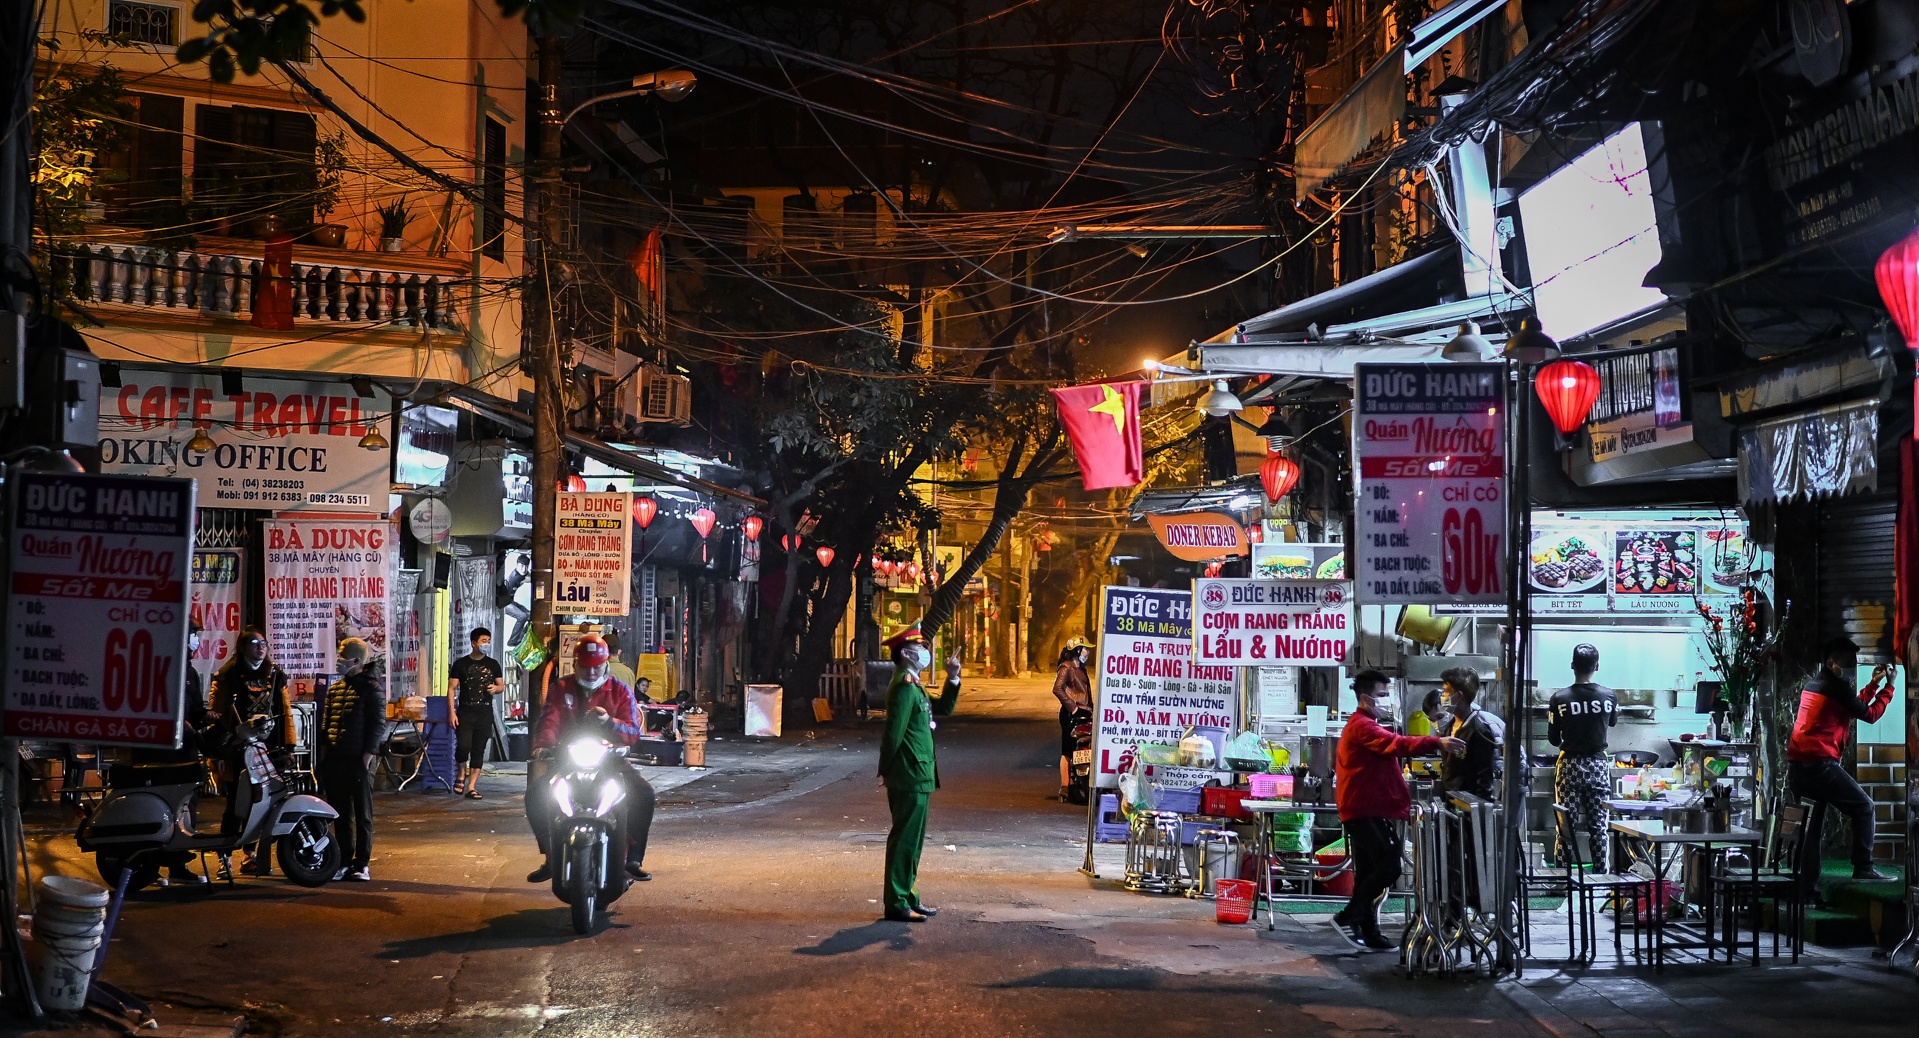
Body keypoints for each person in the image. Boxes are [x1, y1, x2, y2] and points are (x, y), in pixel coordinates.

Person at [1332, 670, 1462, 951]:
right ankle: (1348, 916)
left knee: (1368, 872)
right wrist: (1436, 741)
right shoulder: (1362, 726)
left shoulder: (1368, 724)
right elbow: (1398, 744)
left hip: (1367, 808)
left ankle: (1369, 932)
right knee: (1388, 867)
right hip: (1364, 809)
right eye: (1382, 695)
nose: (1386, 701)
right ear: (1365, 698)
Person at [525, 634, 657, 883]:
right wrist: (543, 745)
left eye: (597, 666)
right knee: (536, 795)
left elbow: (632, 731)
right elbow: (550, 720)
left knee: (644, 794)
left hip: (611, 761)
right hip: (568, 759)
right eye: (586, 666)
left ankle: (633, 859)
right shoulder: (562, 688)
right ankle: (551, 856)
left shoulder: (620, 691)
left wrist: (610, 722)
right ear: (575, 664)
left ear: (606, 664)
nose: (592, 672)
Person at [1789, 637, 1895, 886]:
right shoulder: (1836, 687)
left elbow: (1851, 705)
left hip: (1799, 767)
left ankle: (1807, 889)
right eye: (1848, 662)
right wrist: (1889, 687)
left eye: (1854, 662)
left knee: (1811, 830)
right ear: (1831, 662)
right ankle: (1864, 867)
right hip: (1820, 765)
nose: (1852, 667)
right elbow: (1868, 714)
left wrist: (1873, 684)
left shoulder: (1815, 684)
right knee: (1864, 807)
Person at [130, 618, 213, 885]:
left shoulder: (189, 672)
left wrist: (213, 717)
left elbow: (197, 711)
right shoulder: (158, 665)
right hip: (157, 750)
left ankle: (178, 865)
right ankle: (149, 867)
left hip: (184, 751)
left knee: (187, 805)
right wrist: (177, 722)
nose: (196, 641)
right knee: (156, 806)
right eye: (193, 635)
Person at [209, 626, 294, 876]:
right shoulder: (228, 675)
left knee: (263, 803)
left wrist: (289, 746)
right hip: (237, 749)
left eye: (264, 642)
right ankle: (224, 859)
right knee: (236, 803)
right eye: (255, 643)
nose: (261, 647)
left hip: (266, 748)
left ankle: (250, 855)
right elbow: (217, 716)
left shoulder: (274, 674)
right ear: (243, 648)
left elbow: (285, 712)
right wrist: (217, 755)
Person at [879, 623, 940, 922]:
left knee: (913, 841)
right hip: (908, 773)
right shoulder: (903, 685)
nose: (925, 652)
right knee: (904, 839)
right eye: (920, 648)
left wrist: (953, 679)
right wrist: (887, 770)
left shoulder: (914, 683)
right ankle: (896, 902)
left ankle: (908, 895)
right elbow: (894, 733)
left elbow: (944, 709)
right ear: (906, 653)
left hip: (921, 772)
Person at [318, 638, 384, 882]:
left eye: (342, 655)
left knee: (362, 813)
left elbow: (378, 725)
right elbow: (326, 724)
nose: (338, 659)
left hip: (359, 760)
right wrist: (325, 754)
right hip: (336, 760)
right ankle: (344, 861)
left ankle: (362, 864)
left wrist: (367, 756)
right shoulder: (335, 689)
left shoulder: (372, 688)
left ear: (356, 661)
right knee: (340, 813)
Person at [1547, 644, 1618, 871]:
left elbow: (1553, 738)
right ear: (1597, 666)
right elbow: (1612, 722)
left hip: (1569, 765)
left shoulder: (1559, 698)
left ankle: (1563, 876)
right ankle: (1600, 876)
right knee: (1599, 825)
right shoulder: (1609, 696)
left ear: (1572, 666)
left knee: (1566, 825)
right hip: (1598, 765)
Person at [449, 627, 505, 799]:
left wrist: (496, 689)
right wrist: (452, 713)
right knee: (463, 747)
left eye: (488, 640)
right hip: (465, 710)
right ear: (474, 643)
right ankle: (460, 774)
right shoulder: (460, 664)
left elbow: (502, 686)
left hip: (485, 711)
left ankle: (471, 787)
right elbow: (451, 689)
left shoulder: (493, 664)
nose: (486, 644)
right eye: (483, 641)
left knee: (478, 749)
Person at [1437, 668, 1504, 801]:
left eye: (1445, 692)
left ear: (1459, 696)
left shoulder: (1479, 731)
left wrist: (1478, 812)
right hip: (1451, 801)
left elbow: (1484, 779)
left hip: (1467, 807)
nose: (1442, 697)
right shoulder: (1450, 726)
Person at [1050, 638, 1092, 801]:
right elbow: (1057, 689)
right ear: (1077, 650)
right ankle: (1065, 786)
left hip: (1085, 712)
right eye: (1085, 649)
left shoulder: (1082, 669)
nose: (1087, 653)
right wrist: (1072, 707)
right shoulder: (1067, 667)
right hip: (1070, 714)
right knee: (1067, 749)